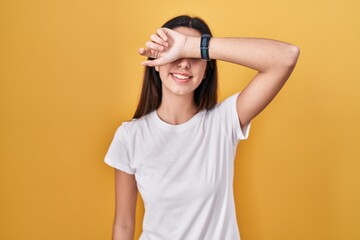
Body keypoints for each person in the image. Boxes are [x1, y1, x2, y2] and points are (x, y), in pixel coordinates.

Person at [104, 15, 299, 240]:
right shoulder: (130, 136)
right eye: (173, 52)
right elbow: (124, 224)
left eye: (194, 57)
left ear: (206, 69)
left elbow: (286, 57)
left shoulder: (223, 121)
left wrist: (190, 46)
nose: (184, 62)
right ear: (156, 64)